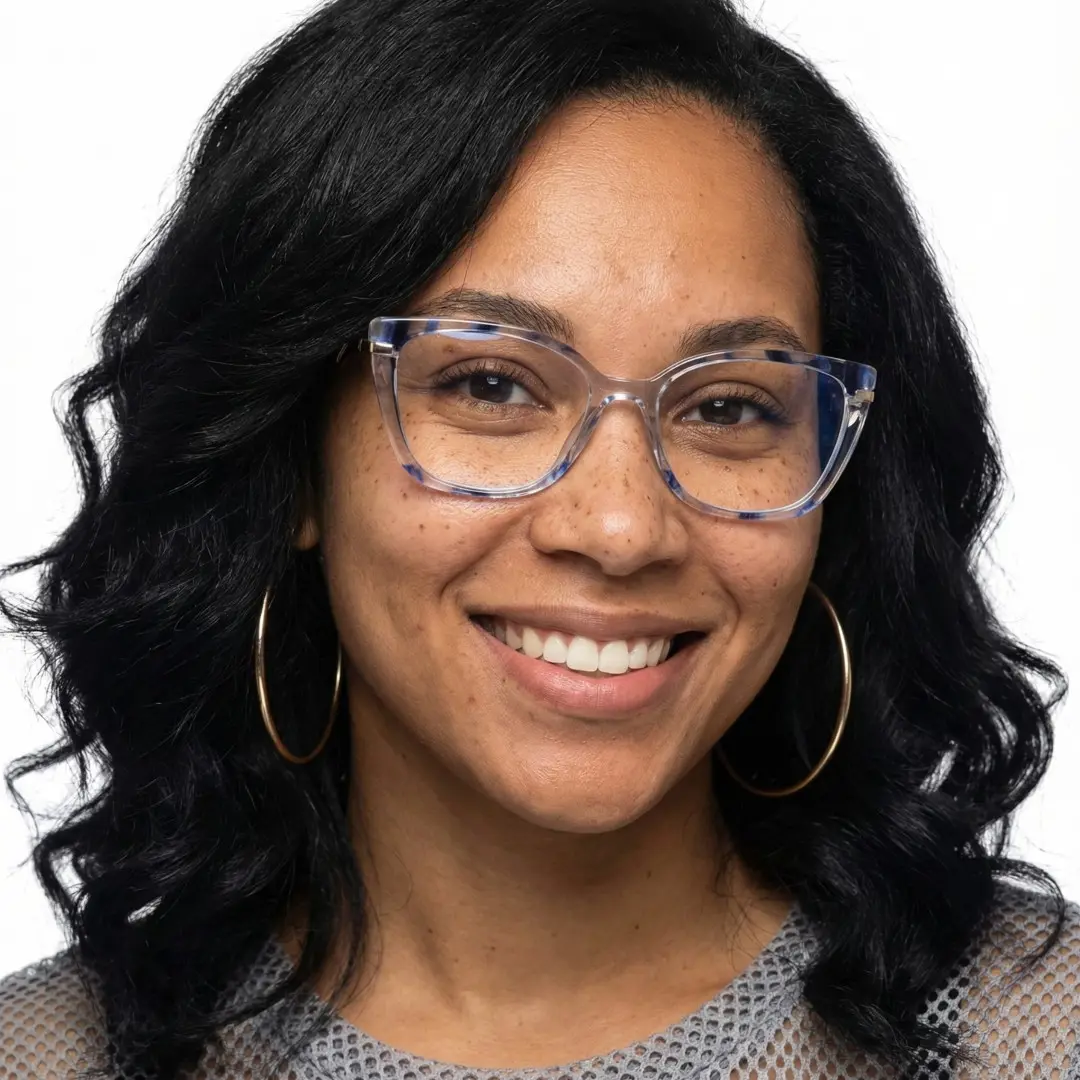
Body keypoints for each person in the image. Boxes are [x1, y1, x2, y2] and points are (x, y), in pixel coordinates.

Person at [1, 0, 1077, 1077]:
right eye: (492, 384)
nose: (619, 528)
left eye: (730, 408)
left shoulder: (1042, 1036)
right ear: (291, 462)